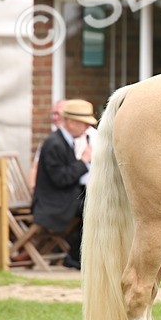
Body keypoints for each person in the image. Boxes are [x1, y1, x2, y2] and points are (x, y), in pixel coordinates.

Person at [31, 99, 97, 269]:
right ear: (72, 122)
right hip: (52, 203)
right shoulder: (55, 143)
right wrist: (83, 161)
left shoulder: (65, 141)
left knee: (95, 206)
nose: (86, 129)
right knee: (91, 210)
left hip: (63, 198)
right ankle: (75, 256)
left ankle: (76, 255)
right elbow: (61, 179)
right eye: (84, 124)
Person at [27, 100, 66, 189]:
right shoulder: (50, 140)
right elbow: (35, 167)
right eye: (53, 114)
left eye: (58, 113)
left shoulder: (90, 137)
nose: (55, 118)